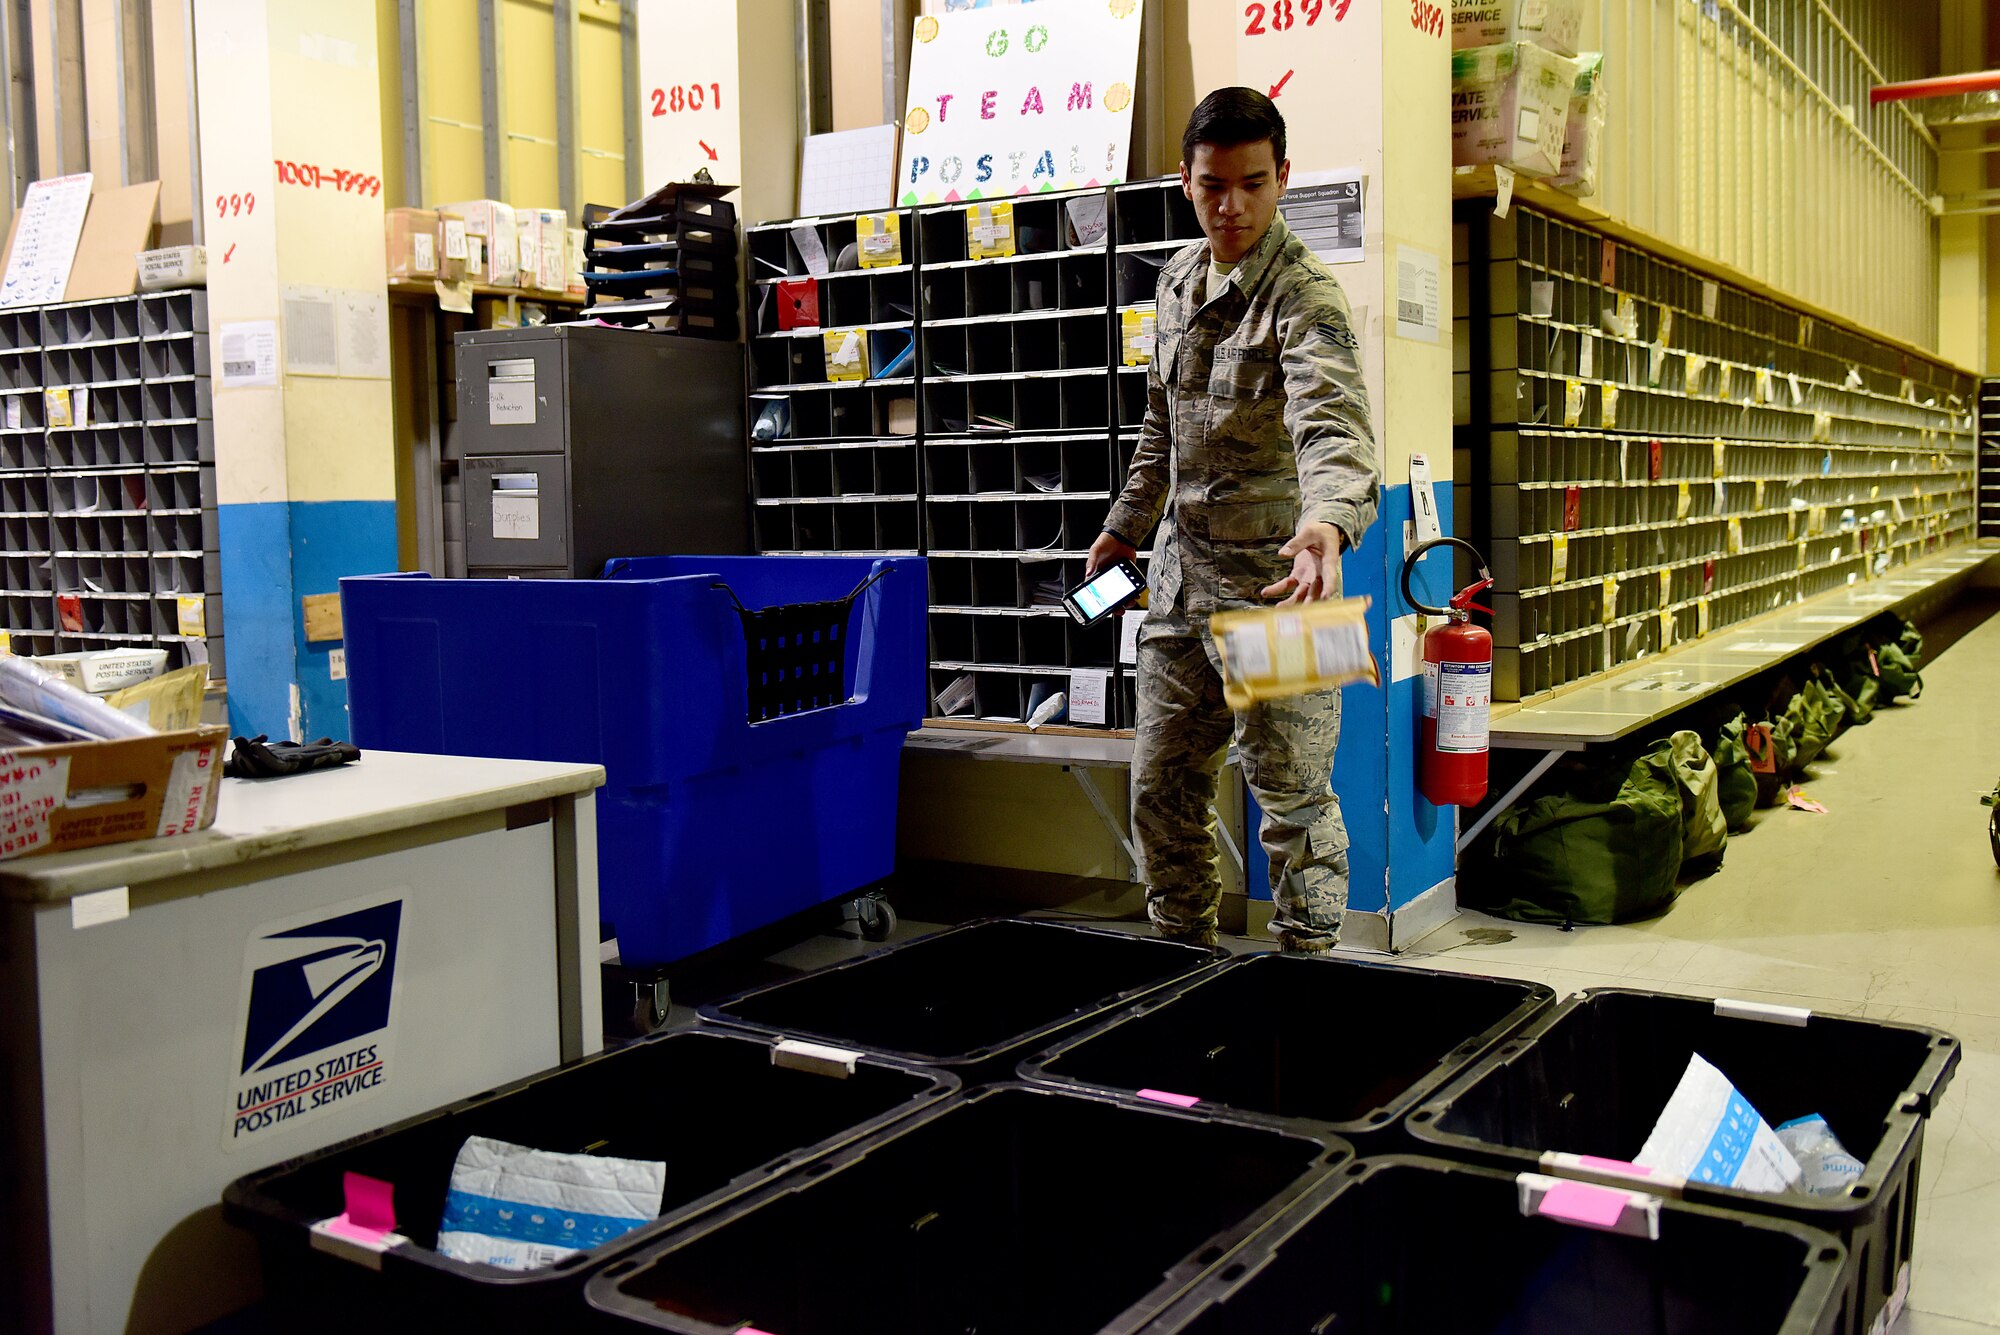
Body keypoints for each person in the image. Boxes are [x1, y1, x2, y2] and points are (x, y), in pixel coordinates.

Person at [1087, 87, 1378, 952]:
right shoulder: (1177, 278)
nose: (1233, 206)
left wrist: (1329, 522)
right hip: (1179, 590)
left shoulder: (1305, 294)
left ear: (1282, 178)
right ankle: (1181, 963)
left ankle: (1305, 968)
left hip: (1288, 588)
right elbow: (1159, 424)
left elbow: (1334, 424)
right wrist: (1125, 527)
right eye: (1214, 185)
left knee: (1294, 804)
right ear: (1186, 180)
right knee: (1160, 786)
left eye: (1253, 183)